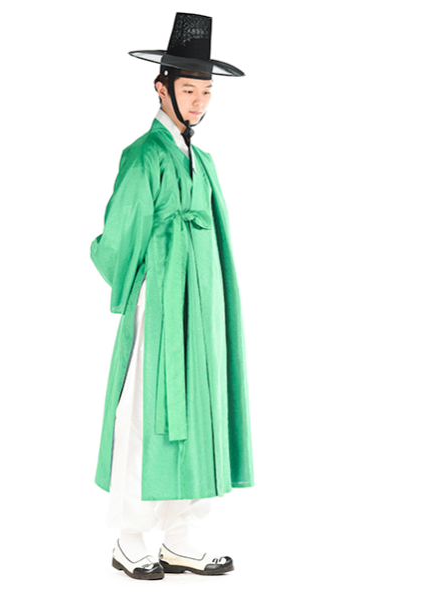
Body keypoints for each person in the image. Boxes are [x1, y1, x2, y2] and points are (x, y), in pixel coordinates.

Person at [90, 13, 254, 580]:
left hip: (200, 307)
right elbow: (119, 235)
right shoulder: (144, 155)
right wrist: (122, 269)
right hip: (159, 303)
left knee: (201, 407)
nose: (200, 102)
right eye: (189, 90)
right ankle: (130, 539)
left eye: (207, 92)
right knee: (147, 411)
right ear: (161, 88)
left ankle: (182, 537)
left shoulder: (201, 161)